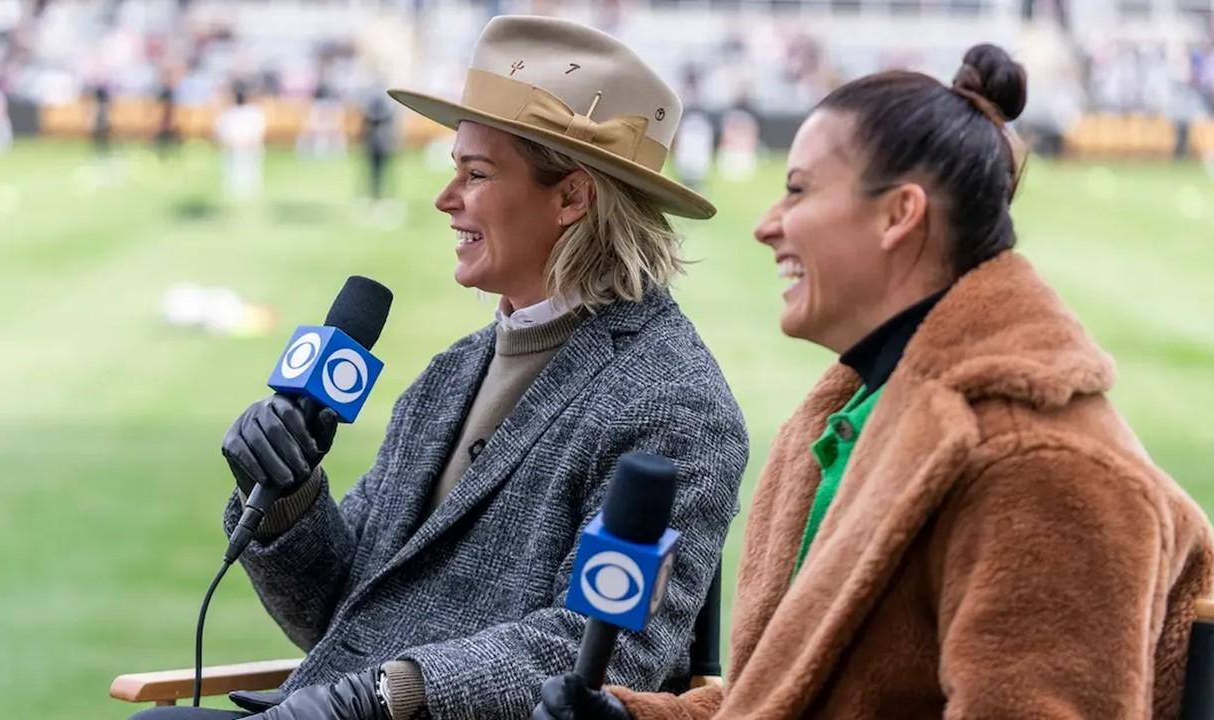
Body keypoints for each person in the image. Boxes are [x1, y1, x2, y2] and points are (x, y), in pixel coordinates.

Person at [535, 43, 1214, 720]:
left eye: (798, 190)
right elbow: (787, 701)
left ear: (900, 215)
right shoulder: (854, 414)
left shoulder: (1040, 465)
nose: (768, 224)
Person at [133, 15, 747, 720]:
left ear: (573, 197)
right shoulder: (452, 374)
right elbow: (345, 614)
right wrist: (287, 493)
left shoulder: (676, 402)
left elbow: (602, 656)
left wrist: (385, 695)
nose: (443, 198)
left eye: (475, 174)